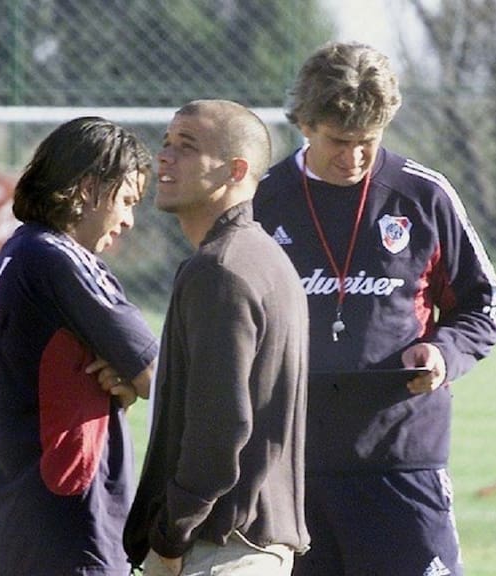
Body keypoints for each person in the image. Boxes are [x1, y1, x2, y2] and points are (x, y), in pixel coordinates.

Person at [253, 41, 496, 575]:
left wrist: (443, 353)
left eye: (368, 141)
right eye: (338, 142)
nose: (354, 158)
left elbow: (485, 305)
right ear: (304, 122)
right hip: (292, 462)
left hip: (401, 457)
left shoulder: (423, 196)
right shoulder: (263, 199)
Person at [123, 99, 310, 576]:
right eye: (165, 143)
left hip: (219, 548)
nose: (164, 156)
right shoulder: (261, 256)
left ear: (236, 169)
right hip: (247, 544)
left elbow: (221, 425)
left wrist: (170, 534)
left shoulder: (222, 268)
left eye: (186, 147)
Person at [0, 117, 159, 576]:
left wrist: (119, 382)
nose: (129, 220)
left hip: (16, 517)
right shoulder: (62, 260)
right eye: (127, 200)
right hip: (70, 524)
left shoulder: (16, 253)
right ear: (90, 189)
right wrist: (130, 379)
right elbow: (157, 374)